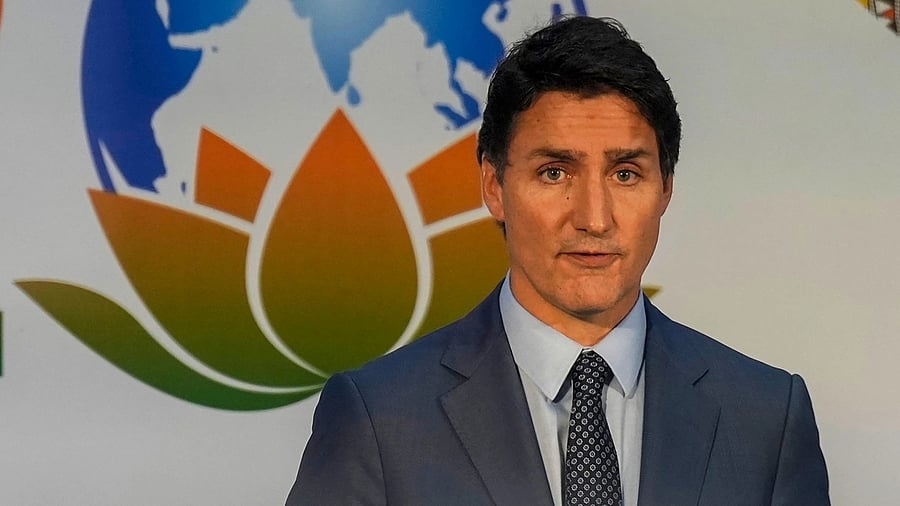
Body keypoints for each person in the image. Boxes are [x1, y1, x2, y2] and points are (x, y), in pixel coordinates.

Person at [286, 16, 829, 506]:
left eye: (625, 174)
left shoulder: (766, 418)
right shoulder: (379, 419)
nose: (594, 218)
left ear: (666, 189)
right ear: (494, 186)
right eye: (555, 173)